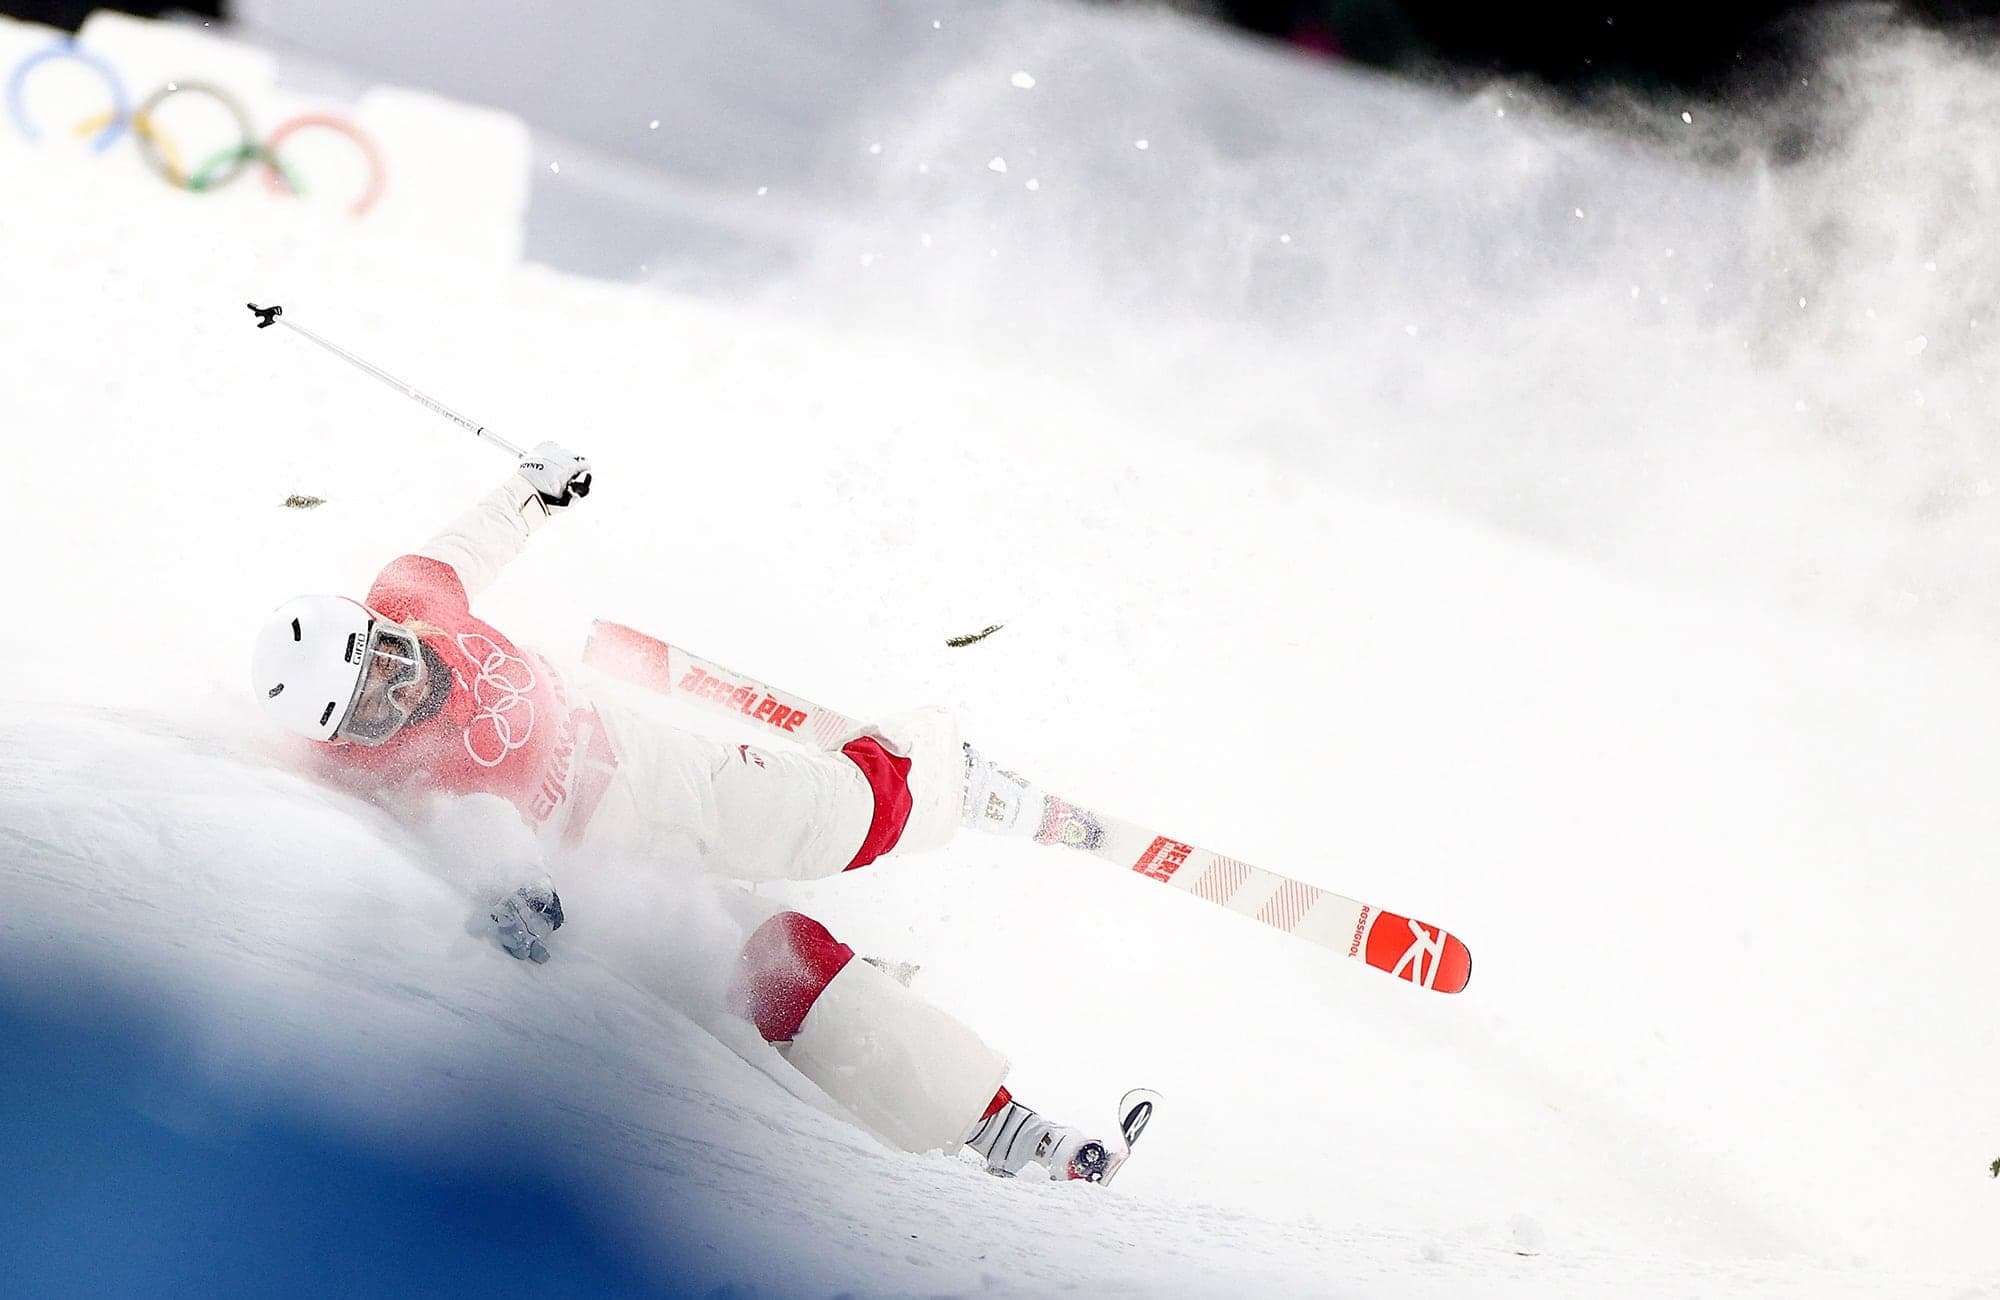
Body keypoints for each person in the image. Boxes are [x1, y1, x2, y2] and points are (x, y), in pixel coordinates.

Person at [250, 442, 1121, 1182]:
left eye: (390, 663)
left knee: (825, 822)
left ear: (385, 626)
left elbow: (469, 544)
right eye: (375, 710)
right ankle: (1002, 1130)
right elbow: (469, 830)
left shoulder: (414, 596)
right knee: (777, 972)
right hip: (608, 865)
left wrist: (531, 490)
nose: (403, 693)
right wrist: (517, 887)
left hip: (643, 767)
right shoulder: (390, 771)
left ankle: (942, 779)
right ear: (351, 738)